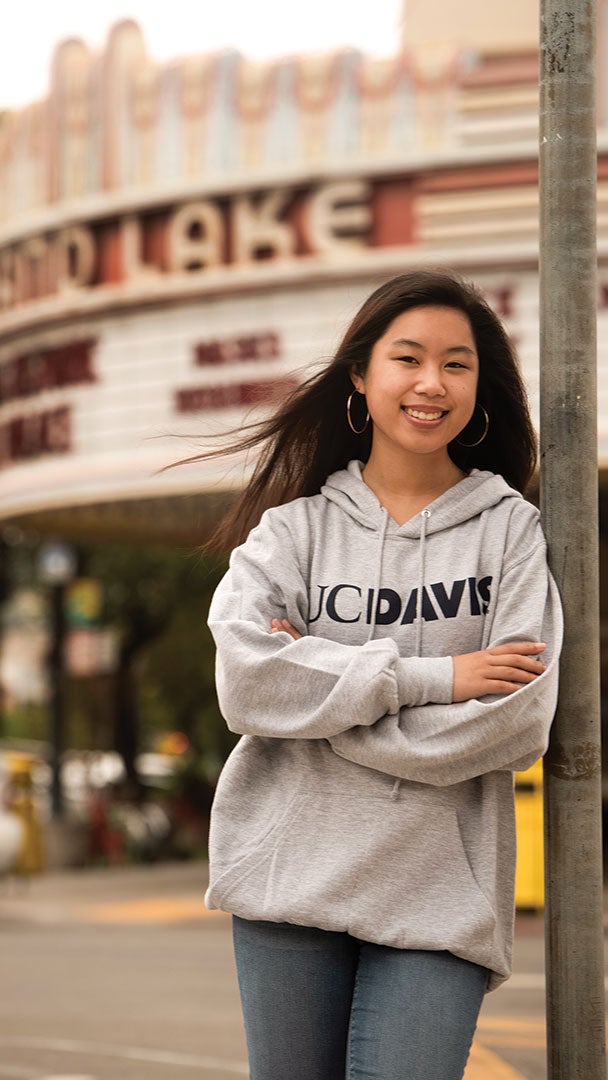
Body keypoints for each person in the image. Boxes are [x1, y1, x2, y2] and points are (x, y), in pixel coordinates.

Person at [202, 268, 562, 1080]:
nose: (432, 383)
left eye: (457, 363)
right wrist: (433, 678)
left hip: (440, 894)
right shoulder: (291, 532)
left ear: (480, 386)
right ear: (361, 377)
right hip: (286, 881)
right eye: (409, 358)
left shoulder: (508, 532)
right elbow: (247, 684)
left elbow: (516, 721)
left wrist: (321, 710)